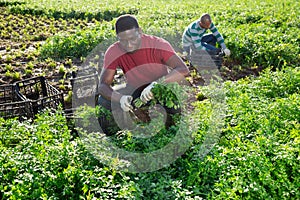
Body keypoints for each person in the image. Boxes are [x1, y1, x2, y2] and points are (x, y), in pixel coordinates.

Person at [97, 14, 189, 133]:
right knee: (103, 100)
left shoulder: (158, 44)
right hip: (135, 89)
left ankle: (171, 131)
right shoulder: (114, 51)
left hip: (161, 88)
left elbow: (183, 69)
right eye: (123, 41)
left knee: (174, 105)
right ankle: (113, 137)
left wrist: (157, 84)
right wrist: (120, 98)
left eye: (132, 39)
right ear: (117, 38)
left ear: (140, 32)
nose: (129, 45)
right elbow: (103, 85)